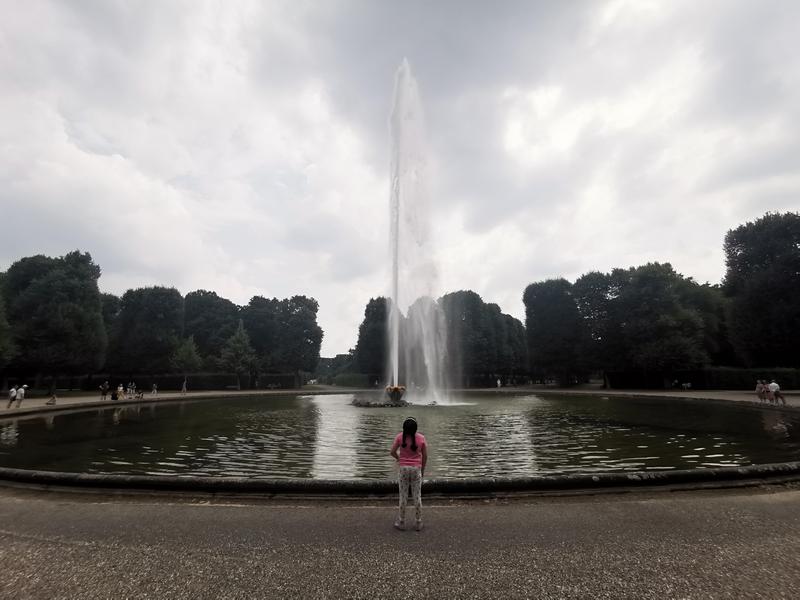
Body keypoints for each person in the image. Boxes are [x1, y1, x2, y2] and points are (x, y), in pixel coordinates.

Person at [390, 416, 427, 532]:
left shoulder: (399, 437)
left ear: (404, 427)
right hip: (416, 469)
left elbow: (392, 452)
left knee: (403, 496)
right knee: (417, 496)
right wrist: (422, 470)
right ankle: (418, 522)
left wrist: (399, 458)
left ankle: (401, 521)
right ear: (416, 428)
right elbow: (425, 456)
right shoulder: (421, 438)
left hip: (403, 469)